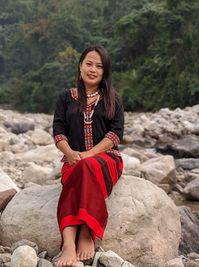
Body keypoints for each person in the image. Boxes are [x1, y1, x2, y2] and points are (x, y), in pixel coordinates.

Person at [53, 44, 124, 267]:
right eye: (89, 63)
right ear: (80, 66)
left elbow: (115, 134)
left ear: (105, 72)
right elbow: (58, 130)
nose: (93, 69)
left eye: (99, 66)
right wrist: (71, 153)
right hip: (72, 159)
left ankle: (85, 232)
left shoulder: (112, 98)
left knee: (87, 166)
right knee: (81, 169)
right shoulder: (66, 98)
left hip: (106, 160)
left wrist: (89, 154)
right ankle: (69, 245)